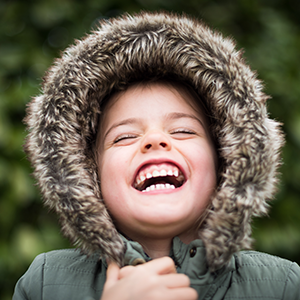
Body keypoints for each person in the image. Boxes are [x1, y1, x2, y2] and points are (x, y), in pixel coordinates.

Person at [13, 11, 300, 300]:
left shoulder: (283, 285)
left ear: (226, 164)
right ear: (87, 176)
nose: (154, 140)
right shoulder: (45, 282)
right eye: (124, 136)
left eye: (183, 131)